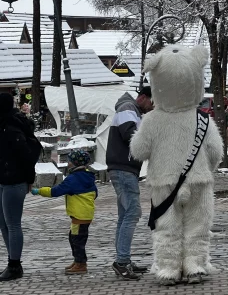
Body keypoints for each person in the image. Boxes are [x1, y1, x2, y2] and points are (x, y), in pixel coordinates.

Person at [106, 87, 153, 280]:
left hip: (123, 168)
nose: (153, 106)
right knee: (133, 212)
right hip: (123, 169)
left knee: (124, 215)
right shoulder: (127, 107)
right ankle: (122, 262)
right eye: (152, 102)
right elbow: (130, 134)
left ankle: (123, 258)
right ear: (142, 98)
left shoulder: (132, 110)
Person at [31, 149, 97, 275]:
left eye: (70, 160)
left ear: (75, 163)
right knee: (74, 238)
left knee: (77, 240)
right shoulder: (88, 176)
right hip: (85, 214)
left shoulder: (73, 179)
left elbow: (56, 191)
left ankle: (81, 264)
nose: (68, 163)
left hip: (79, 215)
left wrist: (39, 191)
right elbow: (95, 193)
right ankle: (78, 261)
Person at [0, 93, 41, 281]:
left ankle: (14, 265)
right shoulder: (4, 126)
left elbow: (27, 156)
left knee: (13, 224)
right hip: (3, 180)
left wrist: (28, 178)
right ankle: (12, 260)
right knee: (4, 223)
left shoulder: (12, 129)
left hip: (14, 181)